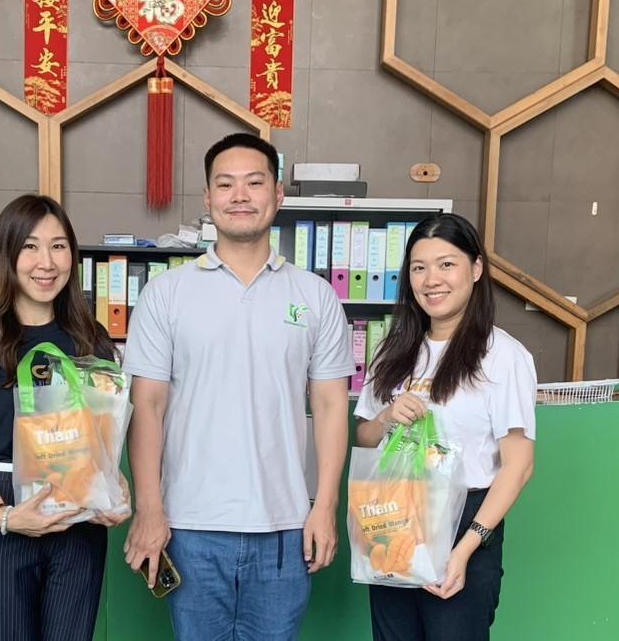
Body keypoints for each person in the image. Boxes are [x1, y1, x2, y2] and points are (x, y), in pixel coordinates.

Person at [122, 133, 355, 641]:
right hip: (189, 525)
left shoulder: (315, 296)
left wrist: (325, 507)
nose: (240, 196)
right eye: (225, 185)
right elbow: (148, 406)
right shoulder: (166, 294)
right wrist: (150, 509)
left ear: (278, 195)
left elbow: (331, 405)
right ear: (208, 198)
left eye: (254, 182)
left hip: (286, 526)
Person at [0, 194, 127, 641]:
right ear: (8, 254)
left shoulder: (93, 339)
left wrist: (115, 489)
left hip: (78, 513)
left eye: (58, 246)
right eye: (30, 247)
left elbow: (103, 438)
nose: (47, 262)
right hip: (3, 506)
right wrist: (3, 515)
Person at [354, 213, 537, 641]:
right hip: (393, 519)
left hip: (463, 524)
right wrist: (386, 417)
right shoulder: (394, 350)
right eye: (419, 268)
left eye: (446, 264)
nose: (431, 280)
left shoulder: (502, 356)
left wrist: (466, 549)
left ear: (476, 269)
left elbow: (519, 465)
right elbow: (364, 437)